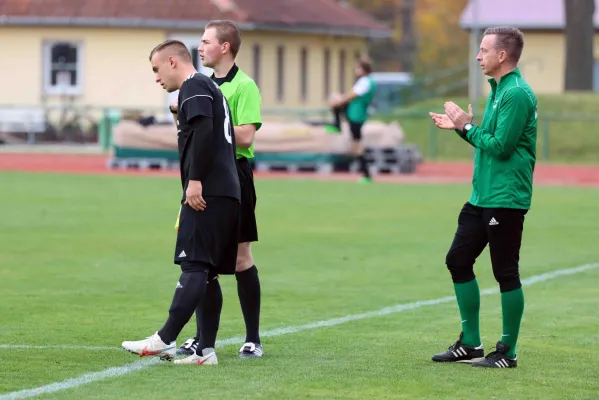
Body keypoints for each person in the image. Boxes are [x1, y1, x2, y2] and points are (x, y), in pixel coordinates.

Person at [121, 39, 240, 366]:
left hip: (209, 190)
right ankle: (205, 352)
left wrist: (196, 180)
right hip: (226, 191)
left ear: (173, 61)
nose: (156, 78)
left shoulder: (195, 84)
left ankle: (164, 338)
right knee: (208, 273)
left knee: (193, 264)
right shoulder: (205, 89)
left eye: (157, 69)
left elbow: (203, 131)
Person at [429, 26, 537, 369]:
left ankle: (508, 351)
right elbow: (487, 140)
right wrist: (464, 129)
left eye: (483, 50)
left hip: (505, 197)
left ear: (501, 55)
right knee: (457, 260)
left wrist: (466, 127)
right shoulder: (499, 90)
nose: (478, 57)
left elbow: (502, 148)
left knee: (505, 271)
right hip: (482, 195)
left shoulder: (517, 93)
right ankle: (471, 343)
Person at [174, 20, 265, 359]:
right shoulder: (201, 85)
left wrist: (215, 122)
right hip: (205, 177)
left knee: (241, 259)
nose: (199, 46)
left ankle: (253, 338)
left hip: (235, 176)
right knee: (202, 261)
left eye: (206, 41)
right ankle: (201, 338)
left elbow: (245, 136)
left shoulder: (244, 85)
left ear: (225, 47)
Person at [326, 58, 376, 183]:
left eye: (358, 68)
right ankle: (366, 174)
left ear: (363, 69)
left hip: (355, 115)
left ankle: (367, 175)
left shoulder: (365, 82)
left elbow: (352, 95)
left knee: (357, 147)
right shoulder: (368, 81)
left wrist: (338, 101)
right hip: (356, 114)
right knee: (357, 146)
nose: (356, 70)